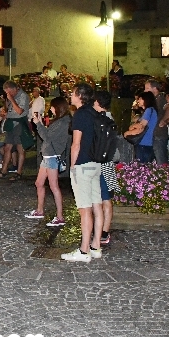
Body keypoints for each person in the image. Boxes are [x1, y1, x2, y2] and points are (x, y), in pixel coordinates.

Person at [61, 83, 104, 263]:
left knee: (84, 209)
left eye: (72, 93)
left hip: (83, 165)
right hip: (96, 164)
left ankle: (83, 251)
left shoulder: (80, 114)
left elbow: (76, 143)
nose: (70, 95)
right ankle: (95, 247)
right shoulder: (95, 113)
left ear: (79, 95)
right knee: (97, 205)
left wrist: (73, 166)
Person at [26, 97, 71, 226]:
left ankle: (60, 217)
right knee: (39, 183)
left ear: (58, 107)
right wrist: (40, 123)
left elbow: (46, 137)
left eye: (52, 106)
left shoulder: (61, 122)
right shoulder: (59, 121)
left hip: (52, 156)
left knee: (54, 186)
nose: (50, 108)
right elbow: (48, 135)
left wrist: (38, 124)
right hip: (48, 156)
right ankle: (40, 210)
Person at [93, 91, 116, 246]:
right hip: (109, 162)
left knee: (104, 199)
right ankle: (103, 232)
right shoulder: (110, 118)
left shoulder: (102, 119)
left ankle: (103, 232)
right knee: (105, 199)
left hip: (102, 163)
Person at [0, 80, 30, 181]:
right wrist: (6, 100)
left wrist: (12, 99)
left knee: (20, 149)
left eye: (8, 92)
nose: (8, 94)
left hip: (19, 123)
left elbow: (19, 111)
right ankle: (4, 170)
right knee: (7, 147)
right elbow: (9, 109)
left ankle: (18, 172)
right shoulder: (11, 96)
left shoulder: (23, 96)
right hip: (11, 123)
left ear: (13, 89)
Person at [125, 92, 159, 163]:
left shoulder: (149, 110)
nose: (138, 101)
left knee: (141, 168)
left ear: (146, 99)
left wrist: (129, 130)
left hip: (143, 143)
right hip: (148, 143)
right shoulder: (152, 110)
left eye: (140, 99)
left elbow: (141, 126)